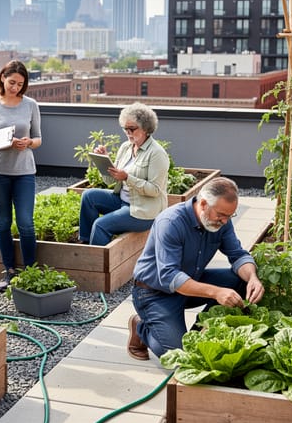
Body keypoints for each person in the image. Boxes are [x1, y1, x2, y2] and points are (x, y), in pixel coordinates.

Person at [127, 177, 265, 360]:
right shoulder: (171, 222)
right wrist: (216, 292)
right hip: (154, 294)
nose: (225, 221)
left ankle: (199, 334)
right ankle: (141, 326)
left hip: (190, 284)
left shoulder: (220, 221)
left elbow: (238, 255)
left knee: (241, 280)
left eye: (230, 216)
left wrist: (253, 278)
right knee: (180, 357)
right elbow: (170, 277)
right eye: (221, 215)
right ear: (203, 203)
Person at [0, 60, 43, 292]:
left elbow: (38, 139)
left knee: (26, 222)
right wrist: (8, 142)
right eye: (12, 82)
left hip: (24, 171)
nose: (16, 87)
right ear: (2, 78)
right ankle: (9, 271)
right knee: (3, 222)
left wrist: (28, 143)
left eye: (20, 84)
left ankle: (30, 271)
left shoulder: (31, 105)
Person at [78, 102, 169, 246]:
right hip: (121, 200)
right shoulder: (126, 147)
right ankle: (86, 243)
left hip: (143, 210)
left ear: (146, 128)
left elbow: (155, 190)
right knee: (89, 197)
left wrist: (127, 178)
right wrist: (104, 161)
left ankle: (94, 263)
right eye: (125, 129)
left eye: (132, 129)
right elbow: (110, 181)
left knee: (101, 225)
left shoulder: (157, 153)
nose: (128, 133)